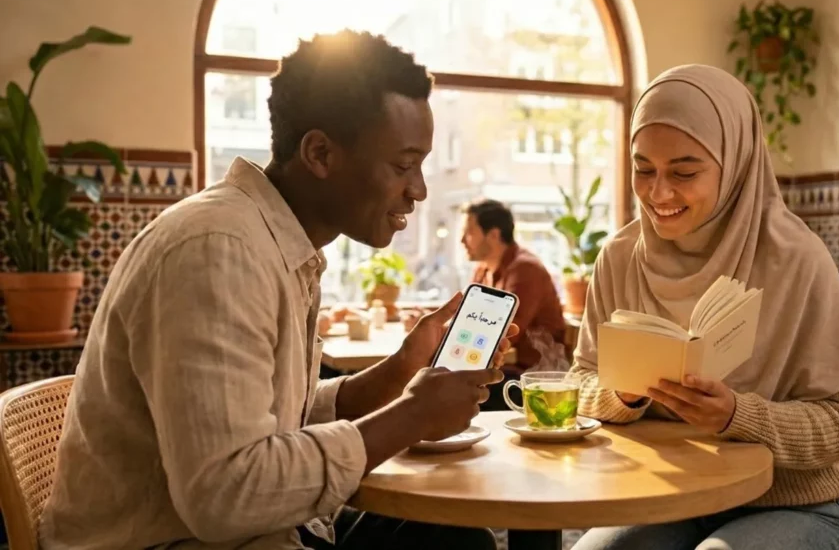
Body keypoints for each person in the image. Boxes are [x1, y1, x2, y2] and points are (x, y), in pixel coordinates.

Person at [39, 30, 514, 550]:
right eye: (403, 166)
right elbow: (227, 495)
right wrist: (411, 416)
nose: (419, 189)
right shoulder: (217, 249)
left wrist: (400, 371)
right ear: (320, 153)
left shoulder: (276, 244)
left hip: (254, 534)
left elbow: (281, 421)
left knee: (454, 538)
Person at [568, 65, 839, 550]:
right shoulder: (620, 257)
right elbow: (579, 380)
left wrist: (737, 415)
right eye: (644, 169)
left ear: (736, 165)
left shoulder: (797, 259)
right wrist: (619, 396)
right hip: (668, 495)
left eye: (684, 172)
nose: (658, 194)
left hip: (794, 505)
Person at [460, 199, 567, 409]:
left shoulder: (525, 269)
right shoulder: (483, 270)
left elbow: (507, 334)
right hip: (505, 368)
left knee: (457, 387)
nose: (462, 240)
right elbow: (467, 319)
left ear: (493, 235)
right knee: (441, 380)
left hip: (532, 378)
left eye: (469, 233)